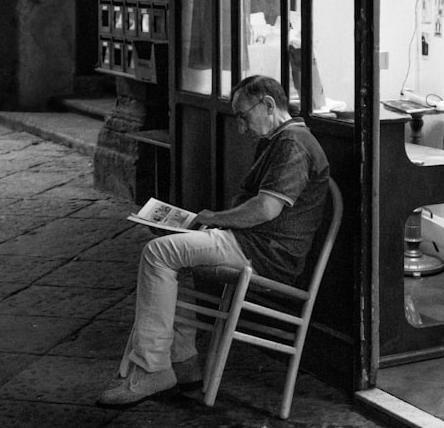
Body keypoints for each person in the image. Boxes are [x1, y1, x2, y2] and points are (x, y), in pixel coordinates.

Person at [97, 75, 331, 407]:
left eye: (243, 116)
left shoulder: (293, 143)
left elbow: (265, 208)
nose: (241, 128)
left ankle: (152, 370)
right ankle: (185, 365)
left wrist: (213, 218)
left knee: (158, 253)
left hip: (263, 252)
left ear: (267, 104)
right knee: (172, 258)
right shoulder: (282, 139)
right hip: (249, 243)